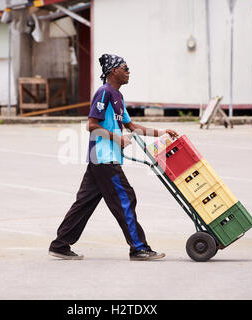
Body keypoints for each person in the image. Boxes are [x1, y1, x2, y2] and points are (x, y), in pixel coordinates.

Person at [49, 54, 178, 261]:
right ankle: (138, 248)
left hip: (101, 161)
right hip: (103, 158)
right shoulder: (104, 92)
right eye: (125, 68)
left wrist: (162, 132)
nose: (129, 71)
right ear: (113, 71)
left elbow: (133, 127)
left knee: (84, 203)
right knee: (126, 199)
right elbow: (91, 126)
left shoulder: (118, 96)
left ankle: (60, 245)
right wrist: (116, 139)